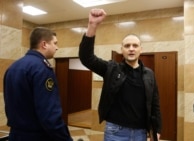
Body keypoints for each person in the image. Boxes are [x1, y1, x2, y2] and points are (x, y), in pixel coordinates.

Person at [78, 9, 162, 141]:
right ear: (121, 50)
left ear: (141, 49)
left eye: (135, 45)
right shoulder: (112, 69)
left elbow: (155, 104)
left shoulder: (149, 74)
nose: (131, 48)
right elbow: (86, 58)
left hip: (141, 132)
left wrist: (156, 129)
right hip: (115, 132)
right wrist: (92, 26)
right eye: (127, 45)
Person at [3, 27, 73, 141]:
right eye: (55, 43)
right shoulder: (42, 69)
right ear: (44, 44)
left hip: (15, 134)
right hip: (37, 136)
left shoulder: (13, 67)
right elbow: (49, 114)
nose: (57, 47)